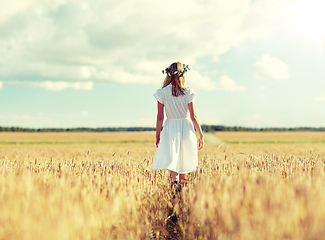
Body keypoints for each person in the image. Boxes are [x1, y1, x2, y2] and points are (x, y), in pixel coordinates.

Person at [151, 62, 204, 184]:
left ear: (168, 74)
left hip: (170, 129)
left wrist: (158, 135)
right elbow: (193, 116)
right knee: (184, 162)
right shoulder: (189, 92)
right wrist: (201, 135)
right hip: (186, 128)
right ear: (183, 74)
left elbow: (160, 117)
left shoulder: (162, 93)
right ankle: (183, 194)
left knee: (173, 161)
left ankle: (174, 190)